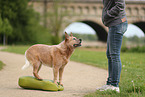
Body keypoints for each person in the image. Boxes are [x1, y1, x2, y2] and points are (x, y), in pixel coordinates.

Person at [96, 0, 128, 93]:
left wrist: (107, 15)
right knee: (110, 54)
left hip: (117, 23)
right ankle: (110, 83)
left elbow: (120, 5)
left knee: (114, 55)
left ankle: (114, 85)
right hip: (113, 24)